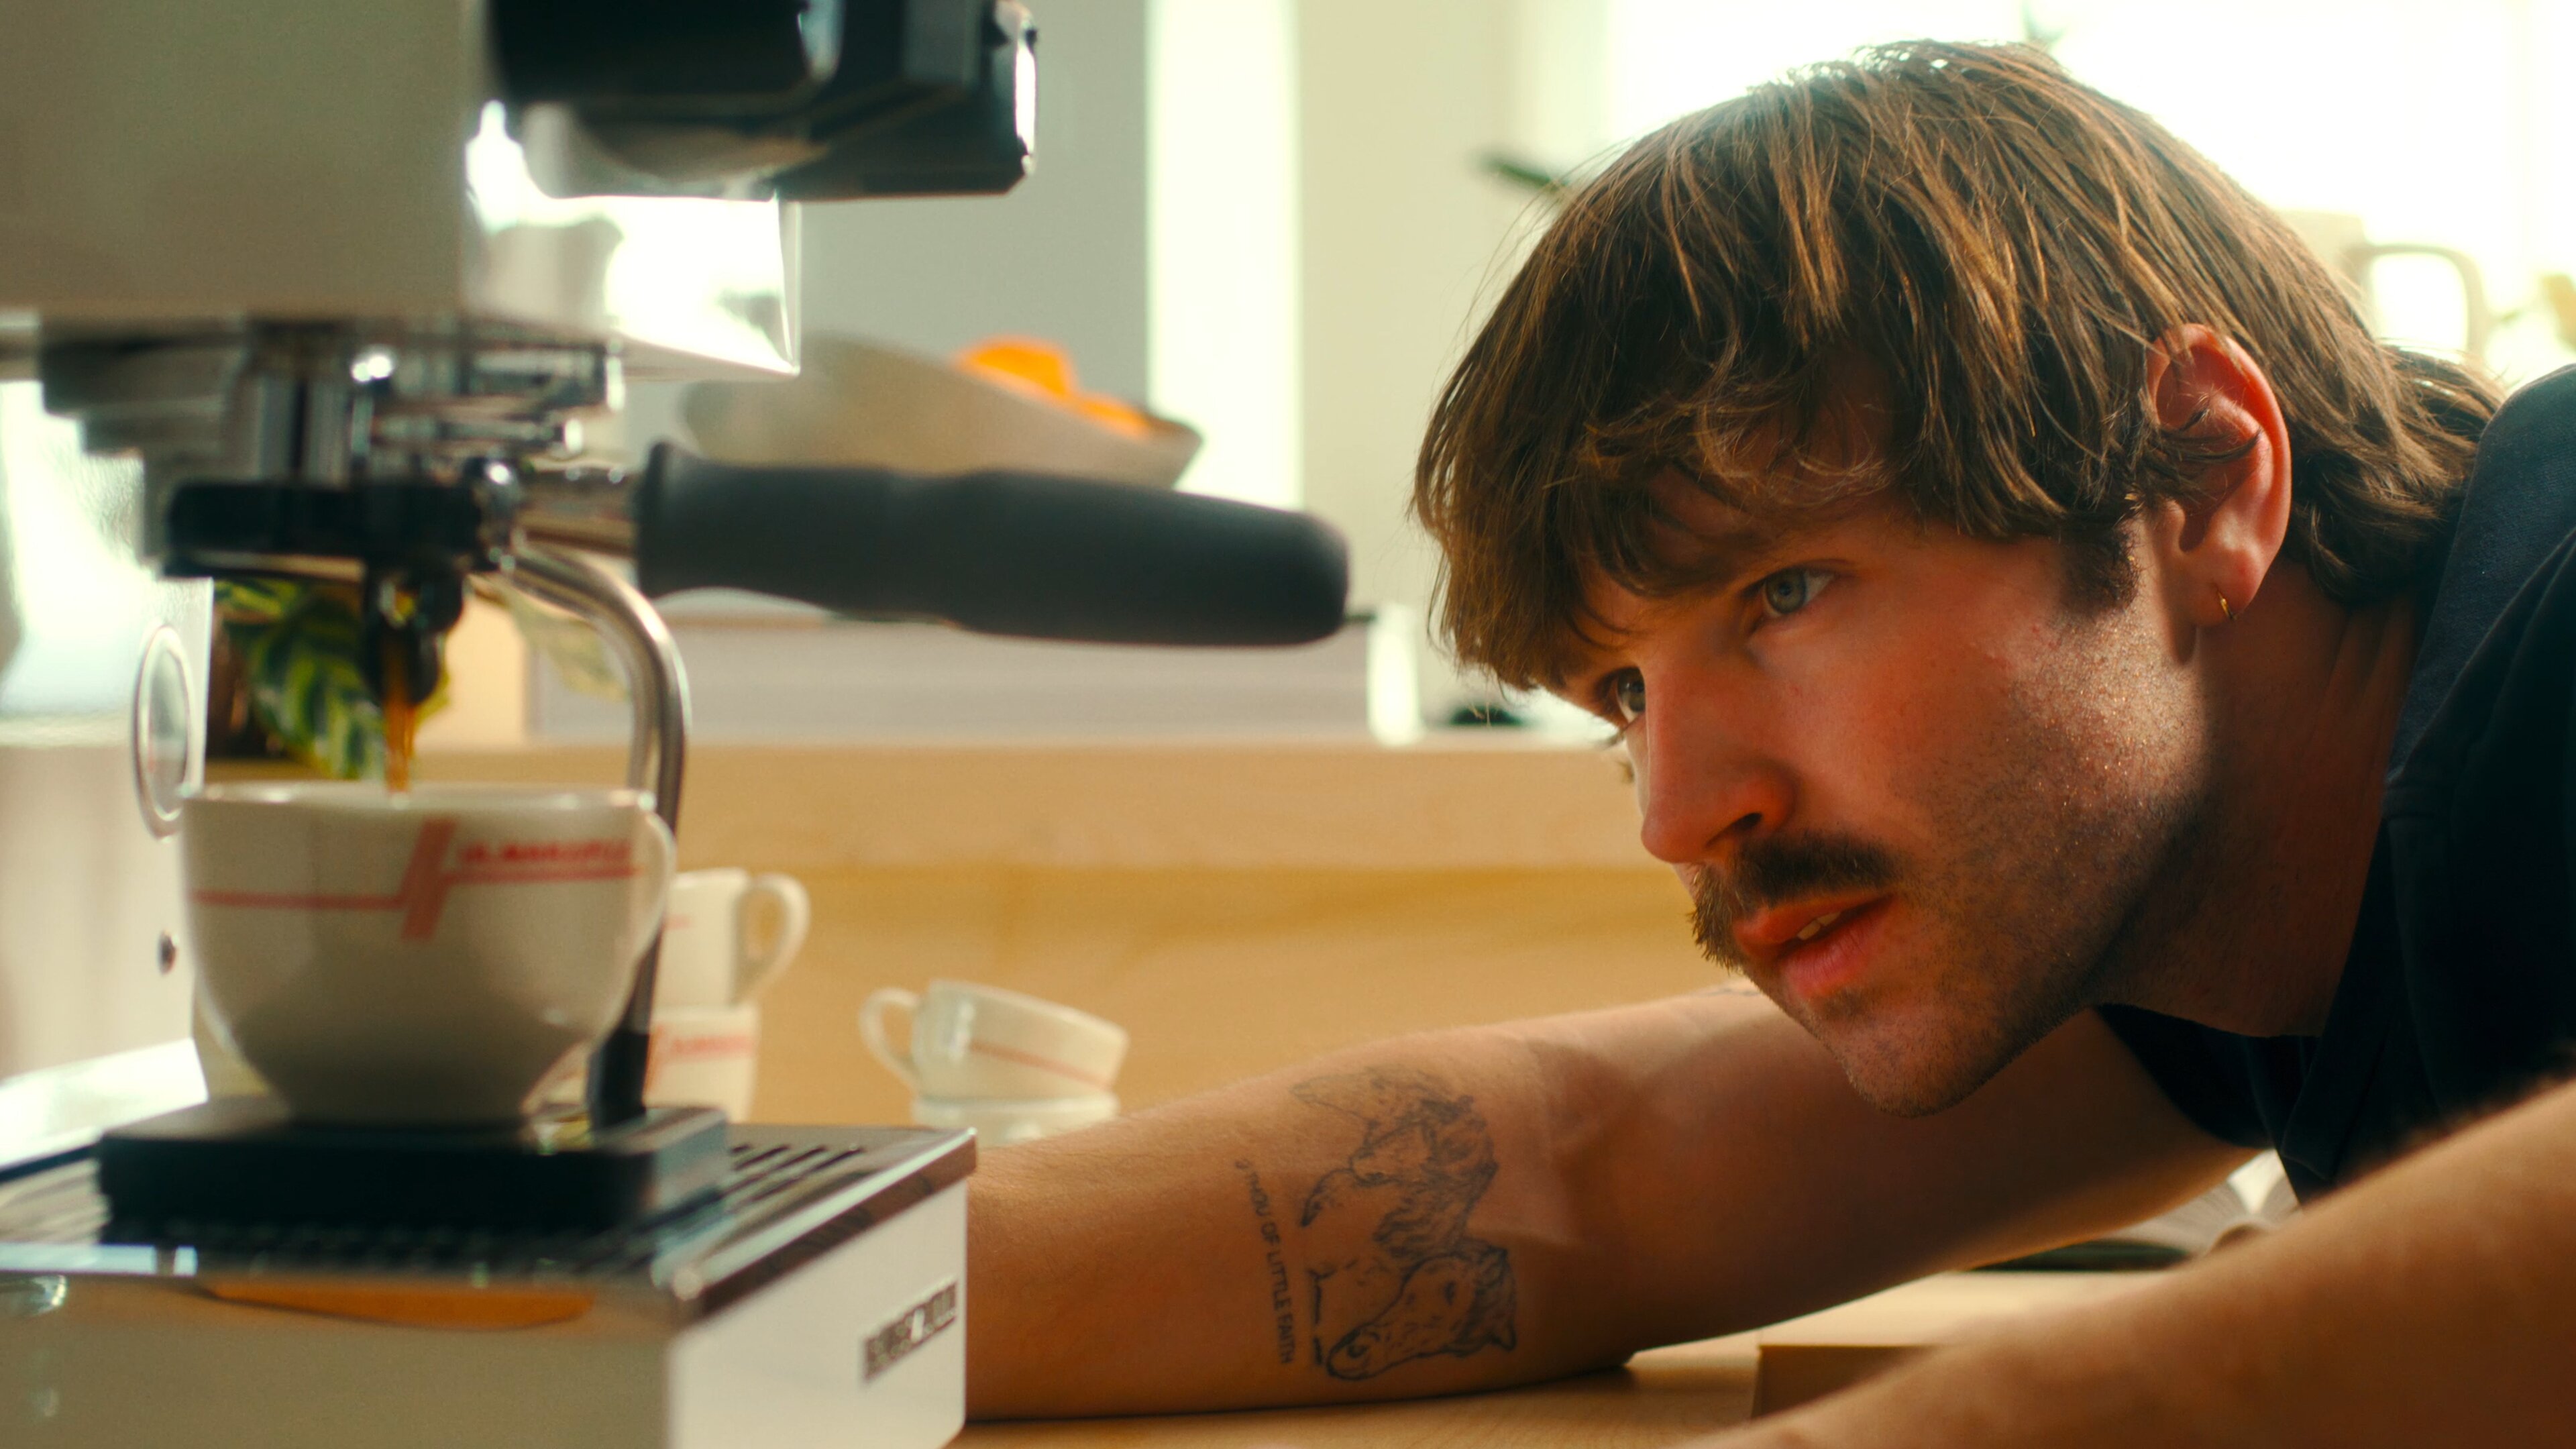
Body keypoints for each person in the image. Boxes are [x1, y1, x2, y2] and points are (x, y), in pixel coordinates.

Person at [966, 41, 2576, 1444]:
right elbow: (1583, 1175)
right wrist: (835, 1286)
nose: (1677, 815)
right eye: (1624, 695)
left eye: (1784, 595)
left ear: (2203, 483)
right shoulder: (2217, 905)